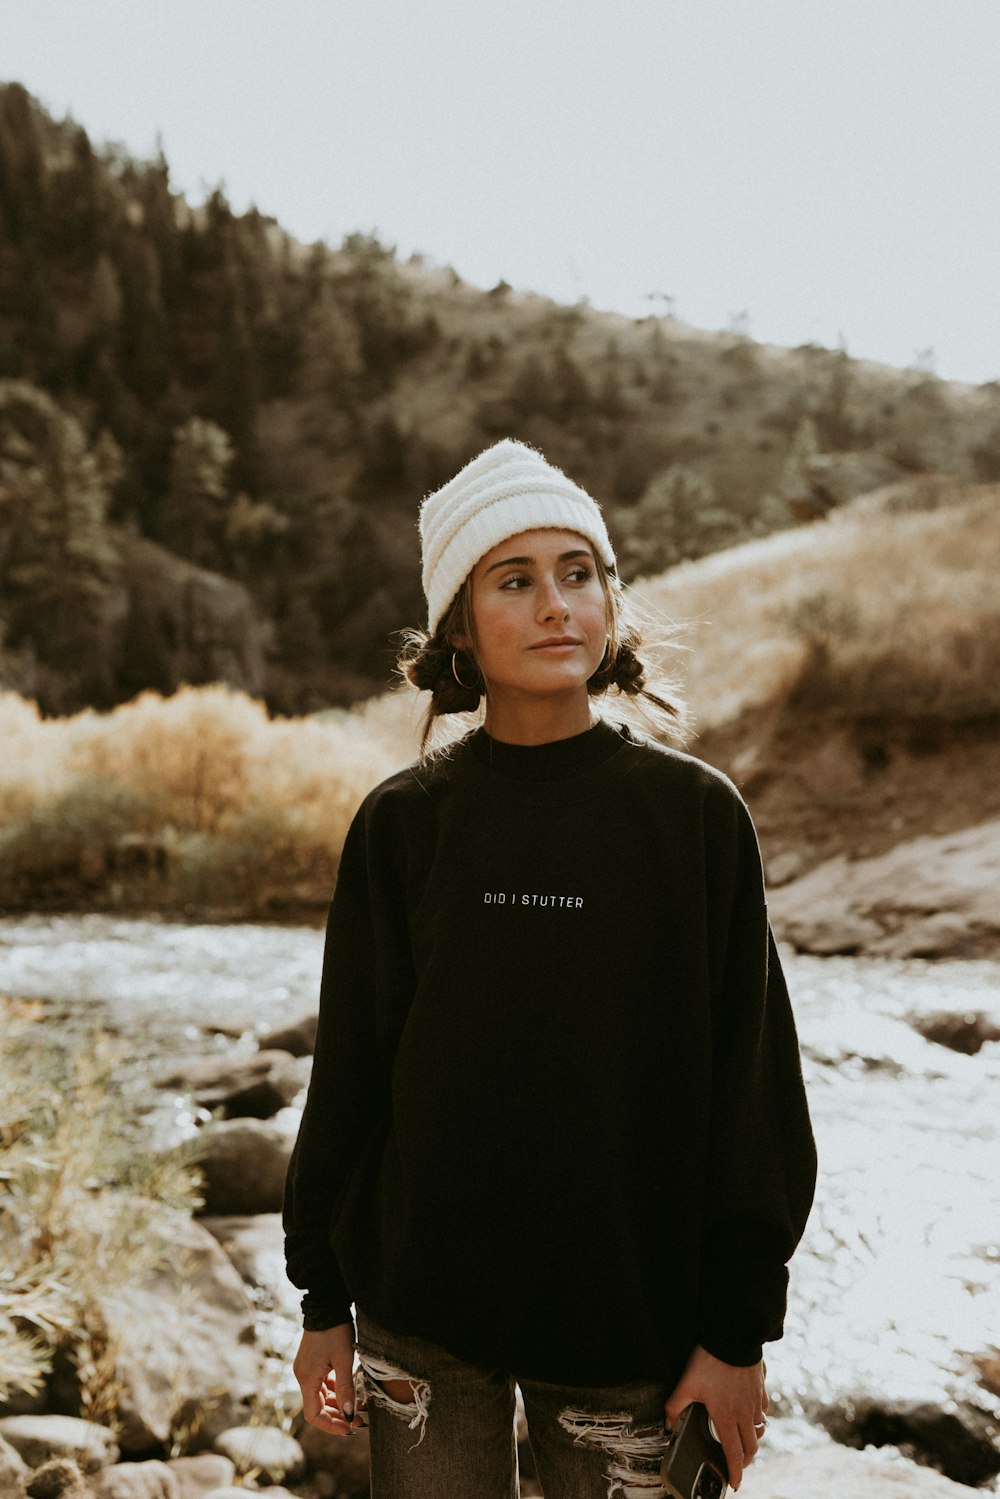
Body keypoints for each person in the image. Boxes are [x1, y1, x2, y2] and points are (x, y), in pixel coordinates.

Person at [283, 439, 816, 1498]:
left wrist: (737, 1331)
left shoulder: (693, 817)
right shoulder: (403, 823)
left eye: (578, 573)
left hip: (634, 1330)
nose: (553, 605)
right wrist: (320, 1302)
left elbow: (753, 1093)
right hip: (422, 1326)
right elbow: (349, 1075)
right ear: (460, 627)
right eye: (513, 580)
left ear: (610, 601)